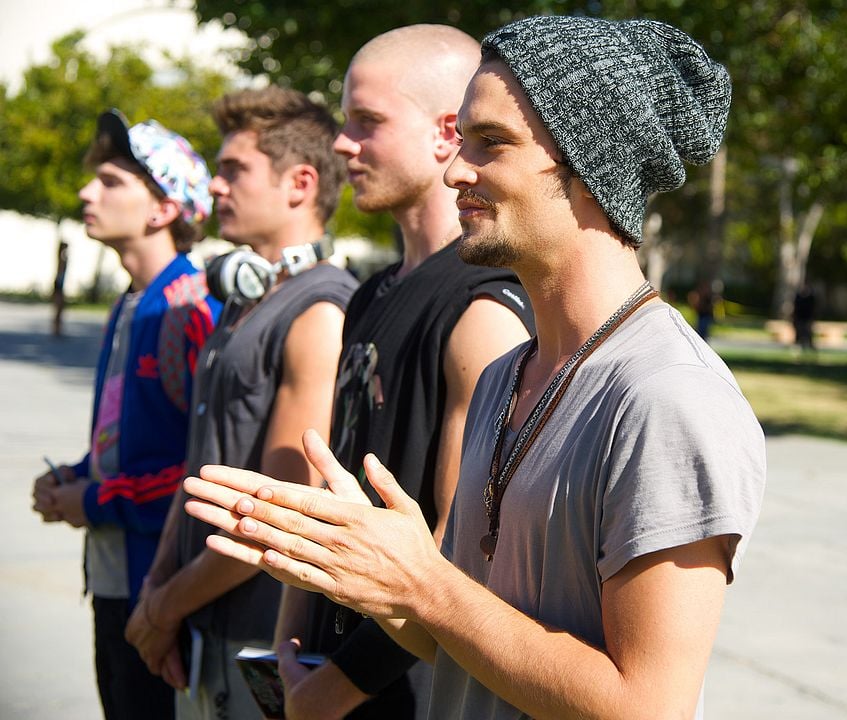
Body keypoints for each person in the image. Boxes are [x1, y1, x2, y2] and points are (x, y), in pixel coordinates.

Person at [184, 16, 766, 720]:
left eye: (492, 143)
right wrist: (366, 574)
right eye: (461, 140)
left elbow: (647, 706)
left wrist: (424, 583)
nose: (457, 168)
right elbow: (468, 640)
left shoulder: (667, 397)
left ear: (589, 167)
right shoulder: (507, 376)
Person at [273, 25, 534, 720]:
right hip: (317, 675)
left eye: (368, 122)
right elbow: (329, 482)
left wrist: (332, 690)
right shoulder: (371, 293)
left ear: (447, 134)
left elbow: (457, 554)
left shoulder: (484, 307)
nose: (341, 143)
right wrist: (287, 646)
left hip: (404, 692)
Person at [124, 87, 358, 719]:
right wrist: (158, 591)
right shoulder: (239, 301)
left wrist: (161, 608)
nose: (217, 186)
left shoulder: (319, 310)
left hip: (255, 648)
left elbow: (278, 508)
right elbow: (196, 469)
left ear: (300, 183)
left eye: (234, 170)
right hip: (198, 631)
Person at [31, 109, 219, 720]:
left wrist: (91, 499)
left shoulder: (191, 311)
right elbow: (125, 435)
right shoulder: (131, 304)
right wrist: (74, 473)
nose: (88, 191)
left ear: (163, 209)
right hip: (112, 582)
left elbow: (206, 470)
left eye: (113, 181)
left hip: (160, 592)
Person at [792, 282, 817, 352]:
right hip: (799, 317)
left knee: (808, 332)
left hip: (807, 317)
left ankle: (809, 345)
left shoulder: (811, 297)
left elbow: (813, 308)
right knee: (799, 332)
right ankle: (799, 344)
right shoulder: (798, 296)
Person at [52, 239, 69, 336]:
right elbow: (60, 273)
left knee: (59, 309)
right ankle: (56, 329)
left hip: (60, 284)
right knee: (58, 309)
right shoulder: (62, 258)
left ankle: (57, 329)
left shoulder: (62, 257)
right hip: (59, 285)